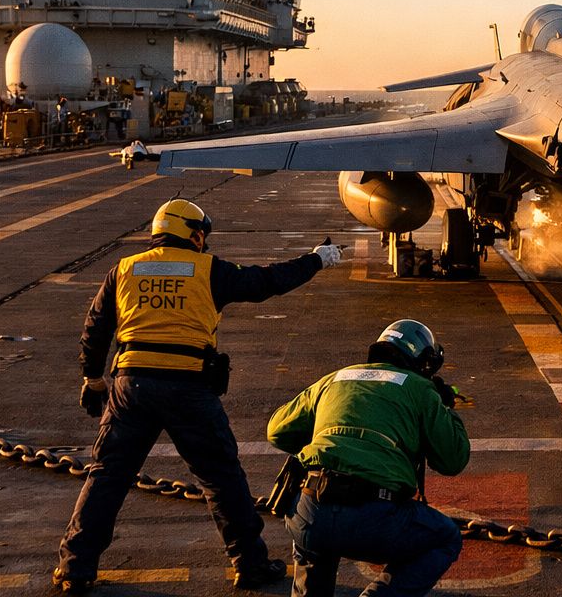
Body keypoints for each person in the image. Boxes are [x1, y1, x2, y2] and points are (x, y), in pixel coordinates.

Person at [53, 199, 345, 593]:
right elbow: (267, 281)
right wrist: (316, 260)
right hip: (188, 387)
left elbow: (96, 328)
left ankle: (75, 567)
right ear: (194, 235)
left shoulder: (124, 269)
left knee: (107, 477)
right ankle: (250, 564)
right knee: (221, 478)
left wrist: (93, 380)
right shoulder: (209, 270)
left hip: (131, 388)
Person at [267, 319, 471, 597]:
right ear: (424, 363)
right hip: (375, 518)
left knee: (312, 545)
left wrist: (324, 441)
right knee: (445, 538)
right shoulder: (421, 389)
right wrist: (446, 407)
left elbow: (276, 430)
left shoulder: (335, 378)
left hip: (311, 510)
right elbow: (453, 460)